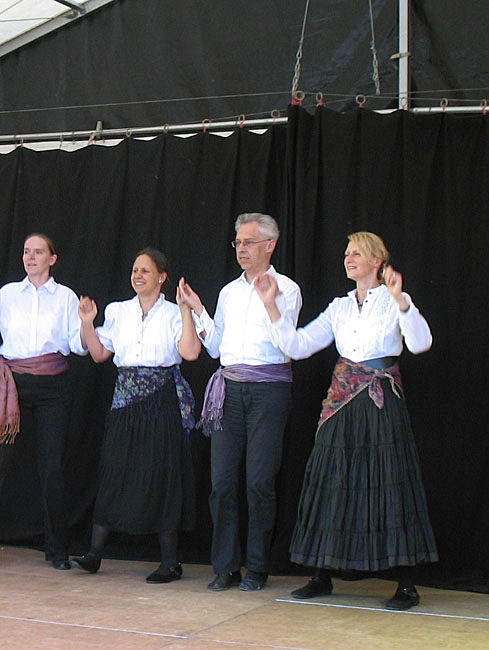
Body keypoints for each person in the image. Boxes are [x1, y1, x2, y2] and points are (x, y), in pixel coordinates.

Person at [255, 231, 437, 610]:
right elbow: (298, 345)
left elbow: (420, 344)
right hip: (341, 403)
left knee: (388, 483)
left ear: (377, 261)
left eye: (357, 253)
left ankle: (406, 583)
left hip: (380, 402)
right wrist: (271, 306)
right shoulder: (339, 307)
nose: (348, 258)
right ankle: (321, 574)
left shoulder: (393, 301)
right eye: (346, 253)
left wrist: (402, 301)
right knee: (333, 481)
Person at [179, 212, 301, 591]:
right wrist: (198, 309)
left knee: (260, 481)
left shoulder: (287, 288)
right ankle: (226, 566)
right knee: (221, 482)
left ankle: (258, 567)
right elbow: (216, 347)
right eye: (238, 242)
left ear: (270, 245)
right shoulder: (229, 292)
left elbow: (287, 344)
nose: (241, 249)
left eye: (249, 242)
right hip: (229, 389)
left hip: (268, 389)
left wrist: (269, 302)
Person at [0, 233, 88, 570]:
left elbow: (77, 345)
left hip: (52, 385)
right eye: (27, 251)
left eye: (38, 252)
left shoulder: (66, 297)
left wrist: (87, 324)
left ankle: (57, 550)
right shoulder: (8, 294)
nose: (30, 257)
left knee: (52, 468)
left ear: (52, 259)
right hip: (12, 383)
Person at [69, 249, 201, 583]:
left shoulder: (173, 313)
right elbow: (99, 353)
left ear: (162, 277)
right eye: (134, 270)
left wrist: (186, 311)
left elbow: (190, 352)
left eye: (145, 270)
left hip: (161, 400)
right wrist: (87, 323)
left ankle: (169, 562)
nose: (138, 275)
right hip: (125, 400)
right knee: (115, 471)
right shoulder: (118, 311)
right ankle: (94, 554)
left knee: (161, 474)